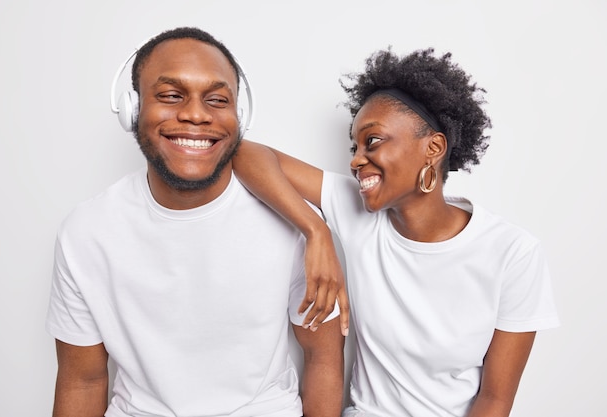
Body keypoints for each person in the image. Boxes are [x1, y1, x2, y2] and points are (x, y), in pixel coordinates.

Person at [233, 47, 560, 416]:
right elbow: (243, 153)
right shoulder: (353, 209)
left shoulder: (512, 253)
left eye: (372, 141)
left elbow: (495, 400)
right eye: (354, 146)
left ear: (433, 147)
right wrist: (315, 230)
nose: (356, 159)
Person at [46, 27, 347, 417]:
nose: (194, 114)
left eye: (217, 100)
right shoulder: (85, 233)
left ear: (240, 117)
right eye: (171, 96)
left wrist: (315, 228)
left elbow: (322, 357)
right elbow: (82, 380)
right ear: (132, 109)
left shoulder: (295, 225)